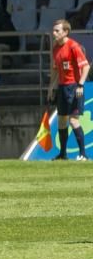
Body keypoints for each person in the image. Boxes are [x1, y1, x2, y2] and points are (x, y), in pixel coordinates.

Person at [50, 19, 90, 161]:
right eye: (53, 30)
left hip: (74, 87)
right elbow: (55, 69)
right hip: (62, 87)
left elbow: (86, 66)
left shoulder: (74, 46)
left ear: (66, 32)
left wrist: (80, 85)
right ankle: (63, 154)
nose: (54, 33)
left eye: (57, 30)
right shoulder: (55, 48)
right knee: (61, 121)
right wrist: (51, 87)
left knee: (73, 121)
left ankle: (83, 154)